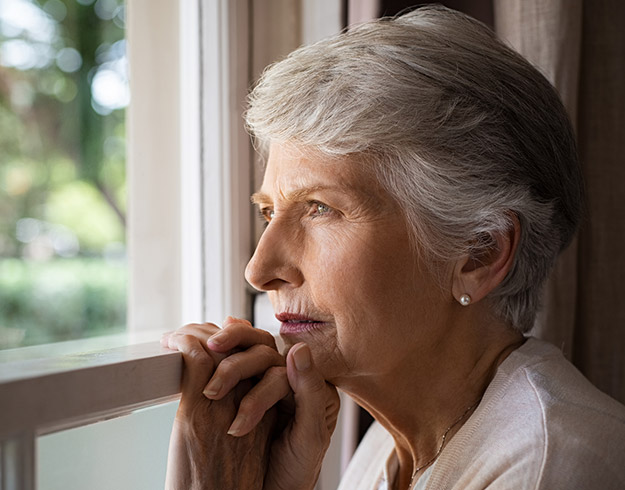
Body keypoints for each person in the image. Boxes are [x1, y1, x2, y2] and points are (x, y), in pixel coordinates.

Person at [161, 5, 625, 489]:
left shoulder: (548, 468)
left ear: (479, 253)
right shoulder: (393, 442)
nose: (259, 270)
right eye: (268, 212)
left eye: (320, 208)